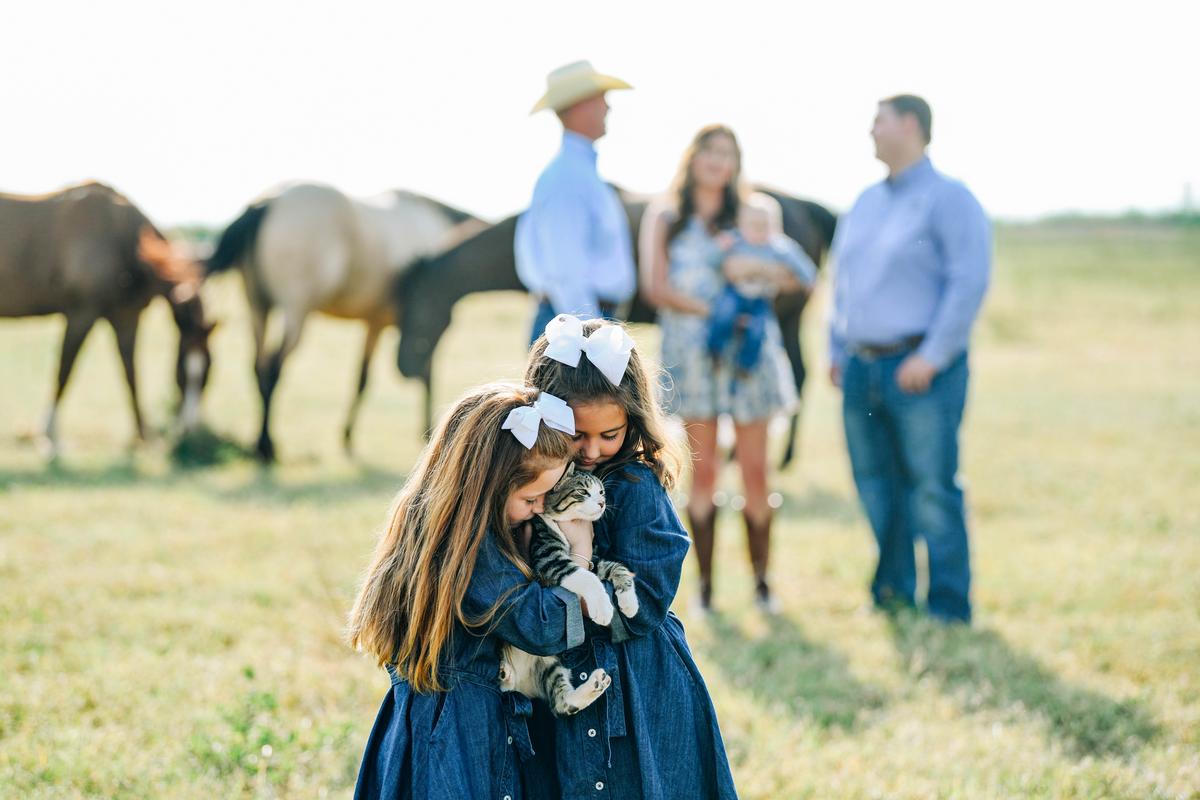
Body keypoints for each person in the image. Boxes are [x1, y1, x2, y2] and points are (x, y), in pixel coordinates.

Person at [522, 314, 738, 800]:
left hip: (635, 676)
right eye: (577, 435)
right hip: (555, 671)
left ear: (633, 421)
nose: (593, 451)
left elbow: (650, 592)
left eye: (610, 435)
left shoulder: (636, 485)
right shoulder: (532, 485)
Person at [349, 383, 600, 799]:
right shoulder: (471, 548)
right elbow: (540, 625)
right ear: (492, 485)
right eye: (532, 497)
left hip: (436, 720)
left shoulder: (441, 521)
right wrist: (581, 556)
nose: (540, 509)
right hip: (459, 732)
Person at [828, 94, 992, 624]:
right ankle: (893, 590)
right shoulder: (864, 202)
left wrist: (933, 355)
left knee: (932, 485)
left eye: (879, 120)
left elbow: (968, 280)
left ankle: (948, 602)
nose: (870, 130)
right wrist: (837, 350)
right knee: (875, 483)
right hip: (862, 368)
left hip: (920, 369)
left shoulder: (950, 198)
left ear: (911, 125)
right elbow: (843, 285)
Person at [639, 124, 809, 613]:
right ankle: (706, 588)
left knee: (756, 469)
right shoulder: (667, 215)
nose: (719, 161)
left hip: (748, 354)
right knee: (704, 469)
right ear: (694, 156)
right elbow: (655, 287)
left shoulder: (750, 214)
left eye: (729, 153)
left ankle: (762, 584)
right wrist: (711, 310)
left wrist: (755, 281)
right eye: (710, 151)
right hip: (692, 354)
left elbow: (784, 272)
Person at [515, 60, 638, 344]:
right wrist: (591, 338)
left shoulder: (573, 173)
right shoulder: (567, 178)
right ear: (581, 105)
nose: (608, 108)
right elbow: (566, 271)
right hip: (575, 328)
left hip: (576, 322)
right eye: (601, 99)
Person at [706, 195, 816, 378]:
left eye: (765, 225)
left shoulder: (779, 246)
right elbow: (713, 256)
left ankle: (746, 365)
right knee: (724, 313)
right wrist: (718, 247)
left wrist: (810, 279)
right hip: (736, 292)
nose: (759, 230)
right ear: (741, 224)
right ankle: (715, 349)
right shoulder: (736, 240)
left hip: (760, 298)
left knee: (758, 330)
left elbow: (799, 260)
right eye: (753, 225)